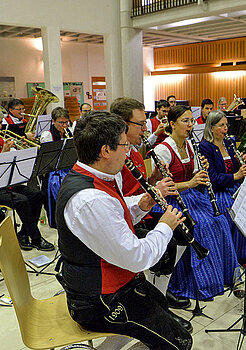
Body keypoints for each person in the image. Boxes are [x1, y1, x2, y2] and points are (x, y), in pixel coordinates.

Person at [56, 111, 193, 350]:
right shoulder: (90, 199)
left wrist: (142, 203)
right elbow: (137, 258)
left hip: (112, 285)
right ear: (105, 151)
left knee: (160, 306)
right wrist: (165, 226)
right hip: (97, 301)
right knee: (180, 343)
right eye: (124, 145)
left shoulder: (95, 175)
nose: (129, 150)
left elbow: (111, 218)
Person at [110, 97, 193, 331]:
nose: (146, 129)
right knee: (167, 244)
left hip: (141, 210)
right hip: (126, 218)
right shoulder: (116, 158)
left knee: (185, 230)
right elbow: (115, 202)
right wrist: (153, 193)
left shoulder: (134, 152)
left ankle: (160, 291)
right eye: (141, 123)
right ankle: (158, 303)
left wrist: (154, 179)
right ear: (123, 124)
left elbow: (139, 185)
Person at [153, 105, 240, 300]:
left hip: (192, 195)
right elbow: (161, 186)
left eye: (192, 121)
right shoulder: (163, 150)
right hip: (171, 199)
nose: (190, 125)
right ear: (172, 124)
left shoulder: (191, 145)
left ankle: (224, 275)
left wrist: (202, 170)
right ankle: (199, 283)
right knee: (201, 226)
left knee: (221, 221)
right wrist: (192, 182)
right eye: (185, 121)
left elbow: (192, 175)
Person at [199, 110, 246, 262]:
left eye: (226, 125)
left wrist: (241, 163)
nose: (225, 128)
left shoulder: (229, 143)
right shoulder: (205, 147)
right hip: (217, 191)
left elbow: (234, 167)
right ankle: (230, 256)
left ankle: (242, 253)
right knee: (232, 207)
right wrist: (236, 176)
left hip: (233, 186)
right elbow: (212, 178)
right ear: (211, 127)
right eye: (221, 125)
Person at [0, 138, 54, 251]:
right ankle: (36, 238)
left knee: (37, 195)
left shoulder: (1, 139)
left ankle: (24, 233)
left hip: (8, 183)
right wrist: (4, 153)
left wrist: (22, 152)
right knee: (22, 201)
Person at [40, 107, 73, 228]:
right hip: (53, 173)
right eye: (61, 122)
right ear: (53, 121)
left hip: (67, 168)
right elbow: (48, 159)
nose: (64, 125)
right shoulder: (47, 135)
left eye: (66, 122)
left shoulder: (69, 132)